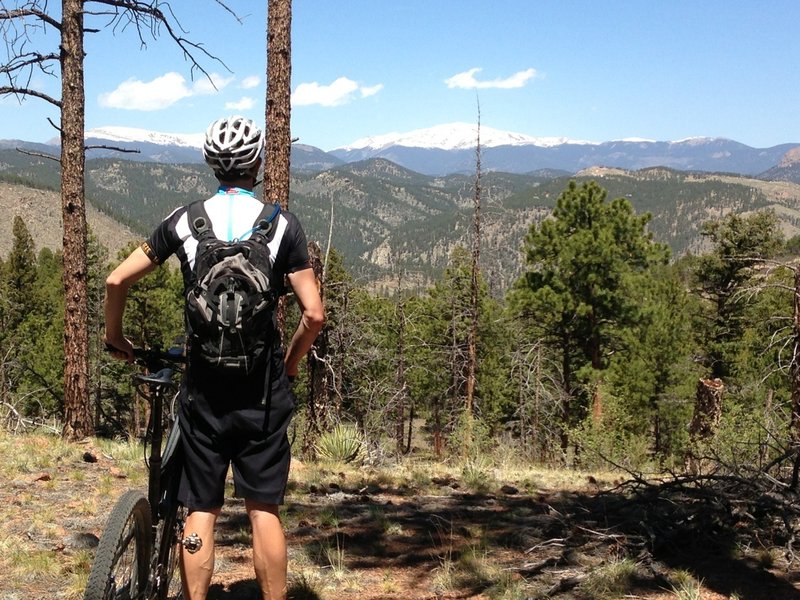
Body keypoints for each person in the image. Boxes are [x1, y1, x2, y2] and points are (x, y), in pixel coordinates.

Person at [104, 115, 324, 600]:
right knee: (263, 509)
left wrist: (115, 337)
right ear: (258, 163)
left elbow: (116, 280)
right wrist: (287, 367)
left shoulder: (185, 220)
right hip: (261, 393)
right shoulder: (282, 224)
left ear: (211, 164)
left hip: (203, 392)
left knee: (200, 506)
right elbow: (313, 315)